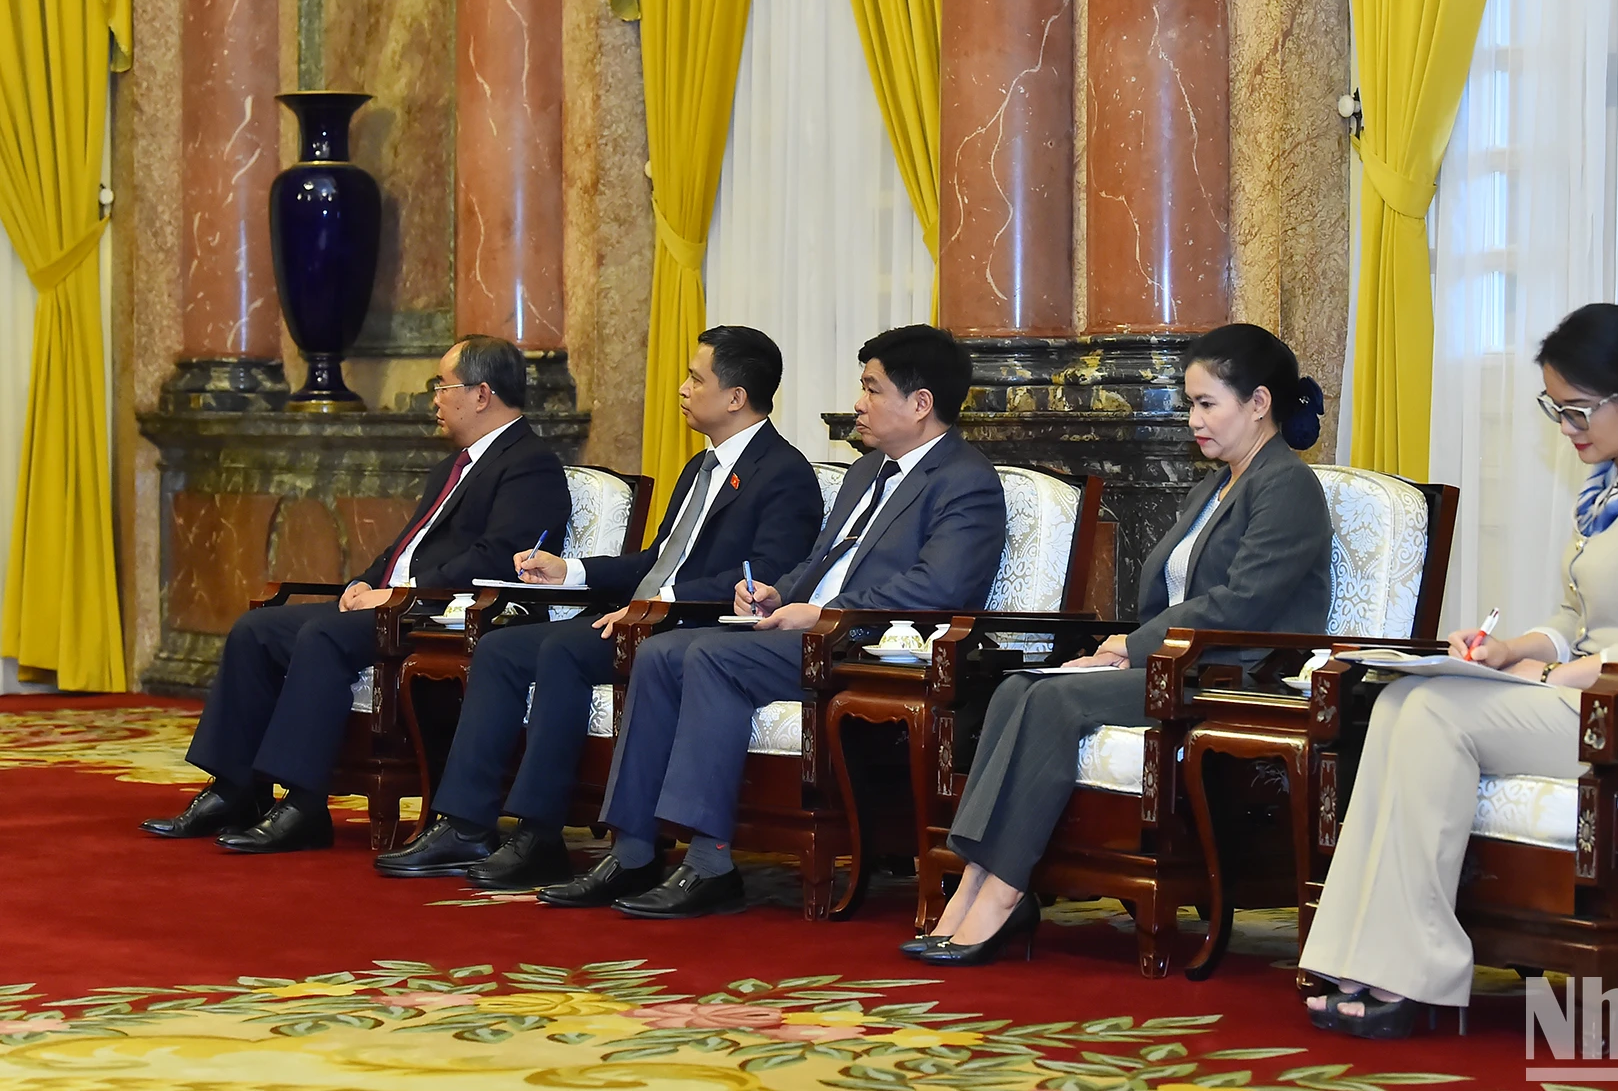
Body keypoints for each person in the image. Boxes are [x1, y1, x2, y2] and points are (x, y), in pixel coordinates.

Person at [1298, 303, 1618, 1038]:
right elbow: (1577, 619)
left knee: (1436, 713)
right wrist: (1518, 651)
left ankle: (1415, 971)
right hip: (1593, 699)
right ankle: (1359, 954)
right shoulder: (1612, 478)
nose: (1568, 430)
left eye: (1578, 411)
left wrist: (1574, 674)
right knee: (1406, 697)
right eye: (1556, 411)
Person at [535, 324, 1008, 916]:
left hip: (868, 646)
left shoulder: (966, 481)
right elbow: (819, 558)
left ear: (919, 404)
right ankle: (632, 850)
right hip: (807, 631)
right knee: (659, 652)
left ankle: (709, 864)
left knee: (709, 656)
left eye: (870, 388)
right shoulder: (866, 471)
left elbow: (940, 586)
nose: (857, 404)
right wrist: (773, 592)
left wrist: (826, 613)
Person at [912, 323, 1335, 966]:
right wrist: (1122, 644)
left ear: (1258, 402)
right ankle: (973, 878)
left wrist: (1130, 649)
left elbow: (1244, 602)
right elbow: (1175, 596)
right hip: (1178, 664)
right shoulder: (1210, 488)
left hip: (1231, 675)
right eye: (1190, 402)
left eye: (1206, 403)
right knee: (1019, 688)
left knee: (1054, 702)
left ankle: (1002, 890)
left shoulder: (1287, 487)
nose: (1193, 419)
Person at [373, 327, 822, 887]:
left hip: (693, 630)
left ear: (736, 396)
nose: (682, 389)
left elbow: (765, 576)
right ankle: (465, 823)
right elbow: (658, 559)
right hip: (640, 618)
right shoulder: (699, 469)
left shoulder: (783, 473)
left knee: (563, 647)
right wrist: (573, 571)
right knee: (503, 648)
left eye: (695, 378)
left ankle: (539, 833)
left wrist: (657, 606)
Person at [142, 335, 572, 853]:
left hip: (442, 614)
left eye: (443, 386)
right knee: (256, 629)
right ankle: (235, 790)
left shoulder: (529, 463)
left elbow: (498, 556)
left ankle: (303, 804)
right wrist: (365, 581)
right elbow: (407, 545)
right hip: (396, 603)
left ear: (481, 394)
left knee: (324, 633)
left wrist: (400, 593)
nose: (434, 398)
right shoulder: (454, 464)